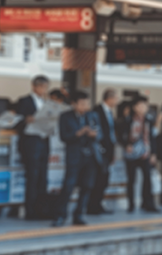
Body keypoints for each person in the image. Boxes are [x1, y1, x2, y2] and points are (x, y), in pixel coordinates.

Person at [53, 91, 101, 227]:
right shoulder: (65, 117)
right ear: (74, 104)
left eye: (87, 103)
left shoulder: (92, 116)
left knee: (87, 186)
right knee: (68, 186)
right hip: (74, 155)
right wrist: (79, 133)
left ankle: (79, 214)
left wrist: (93, 135)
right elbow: (63, 137)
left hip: (90, 155)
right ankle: (60, 215)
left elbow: (100, 134)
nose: (85, 106)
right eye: (81, 104)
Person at [14, 75, 56, 221]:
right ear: (34, 86)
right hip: (30, 143)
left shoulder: (47, 103)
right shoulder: (23, 101)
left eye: (46, 87)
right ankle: (30, 211)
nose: (44, 90)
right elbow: (16, 121)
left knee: (43, 177)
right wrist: (26, 120)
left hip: (44, 141)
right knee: (32, 177)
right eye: (42, 87)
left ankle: (42, 209)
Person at [119, 95, 158, 213]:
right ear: (135, 107)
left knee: (147, 179)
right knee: (131, 180)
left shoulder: (149, 120)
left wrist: (154, 153)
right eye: (141, 106)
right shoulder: (127, 120)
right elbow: (120, 135)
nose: (143, 108)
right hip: (131, 154)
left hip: (145, 153)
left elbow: (153, 138)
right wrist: (126, 145)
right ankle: (131, 204)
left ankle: (147, 204)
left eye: (145, 106)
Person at [88, 88, 119, 216]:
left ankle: (98, 203)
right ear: (110, 98)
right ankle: (93, 206)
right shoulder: (97, 111)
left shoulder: (110, 112)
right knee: (98, 179)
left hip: (108, 150)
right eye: (116, 98)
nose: (117, 101)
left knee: (104, 179)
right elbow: (98, 132)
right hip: (99, 151)